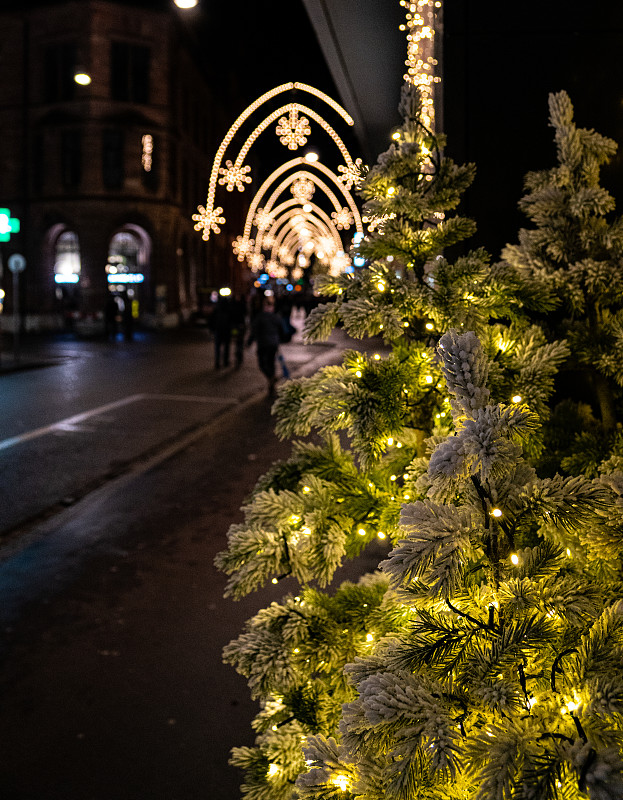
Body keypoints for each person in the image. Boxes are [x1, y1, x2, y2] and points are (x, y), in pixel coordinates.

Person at [247, 294, 283, 396]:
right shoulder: (276, 317)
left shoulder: (260, 317)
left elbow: (254, 331)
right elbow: (282, 330)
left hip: (263, 343)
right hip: (273, 343)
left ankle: (271, 378)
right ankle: (271, 382)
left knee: (262, 363)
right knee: (271, 363)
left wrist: (249, 342)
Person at [210, 294, 232, 369]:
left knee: (218, 348)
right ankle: (225, 361)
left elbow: (211, 320)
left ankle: (217, 362)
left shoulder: (217, 309)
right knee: (226, 347)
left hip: (218, 331)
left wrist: (212, 330)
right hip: (226, 331)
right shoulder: (228, 310)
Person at [230, 292, 248, 368]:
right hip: (235, 326)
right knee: (236, 340)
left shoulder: (242, 305)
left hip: (240, 326)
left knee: (239, 341)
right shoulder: (233, 304)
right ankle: (237, 356)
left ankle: (239, 357)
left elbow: (245, 314)